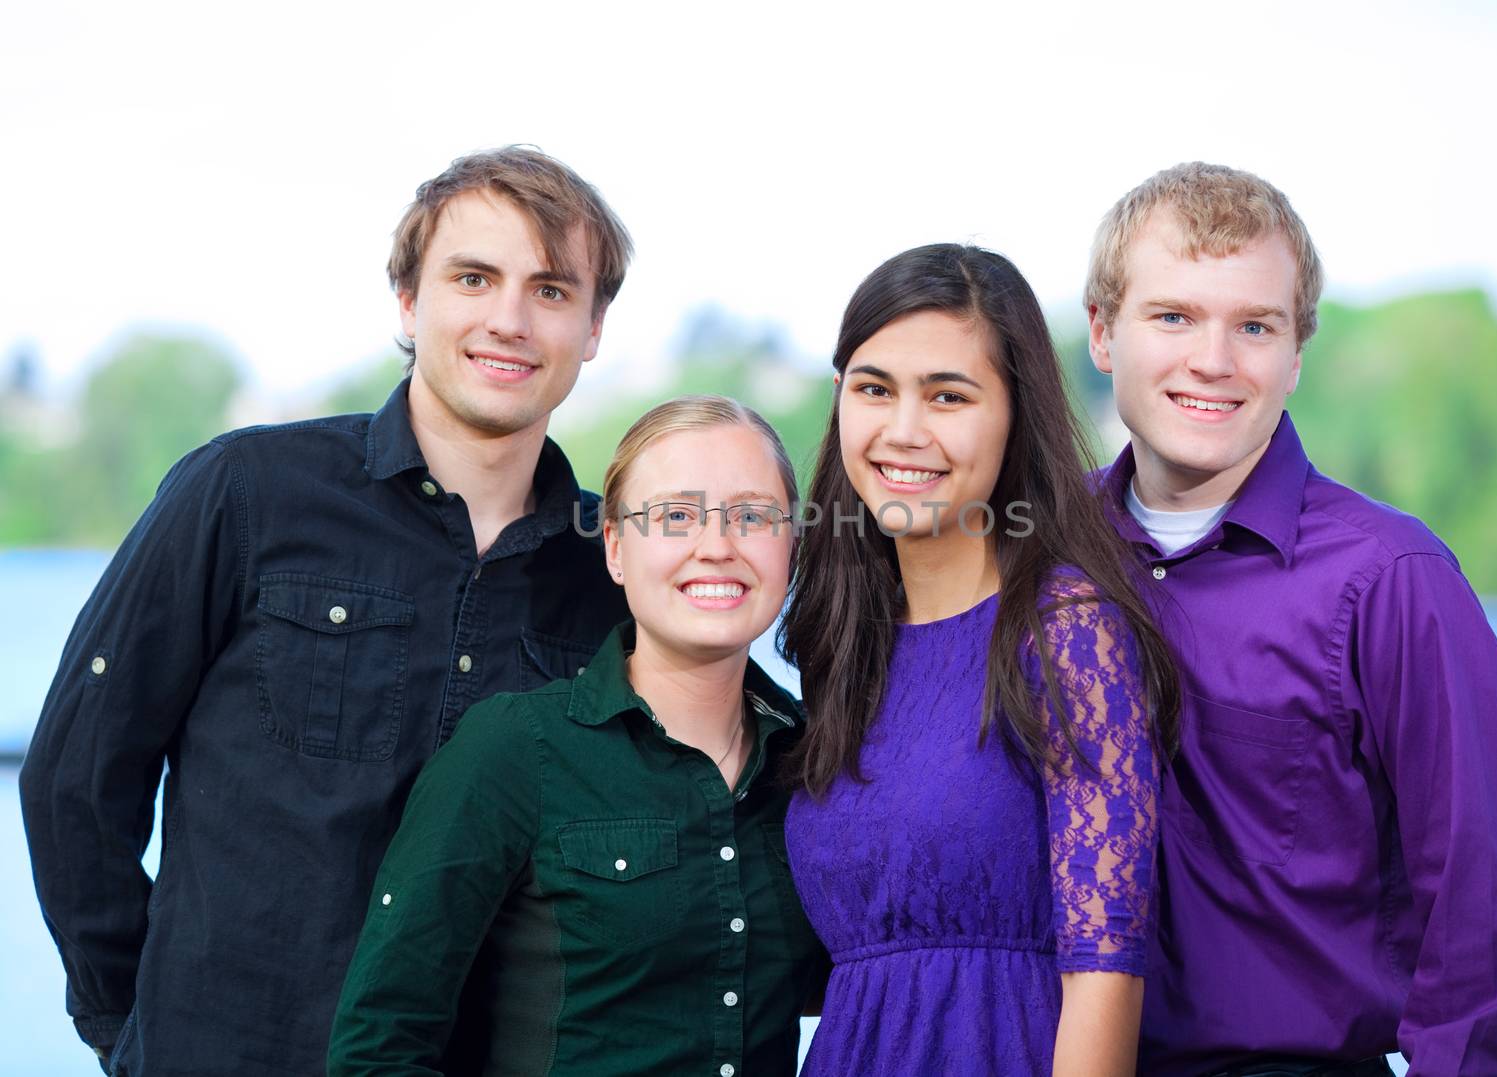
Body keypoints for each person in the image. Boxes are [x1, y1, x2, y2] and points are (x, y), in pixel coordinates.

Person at [18, 146, 634, 1076]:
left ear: (592, 328)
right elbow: (74, 779)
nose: (509, 319)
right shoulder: (245, 491)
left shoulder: (614, 571)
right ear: (408, 301)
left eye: (551, 290)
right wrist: (133, 1030)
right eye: (474, 278)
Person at [1083, 162, 1497, 1076]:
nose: (1212, 361)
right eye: (1173, 316)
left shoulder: (1394, 580)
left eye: (1254, 326)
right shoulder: (1045, 565)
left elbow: (1484, 923)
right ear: (1104, 333)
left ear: (1296, 353)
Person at [327, 395, 826, 1076]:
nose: (718, 545)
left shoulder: (817, 765)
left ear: (791, 545)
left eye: (752, 516)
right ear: (616, 548)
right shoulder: (516, 748)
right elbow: (379, 1046)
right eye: (676, 516)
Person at [782, 244, 1181, 1076]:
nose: (903, 430)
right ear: (839, 400)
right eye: (874, 388)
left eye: (948, 396)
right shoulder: (847, 642)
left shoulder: (1066, 627)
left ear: (1015, 413)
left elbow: (1108, 963)